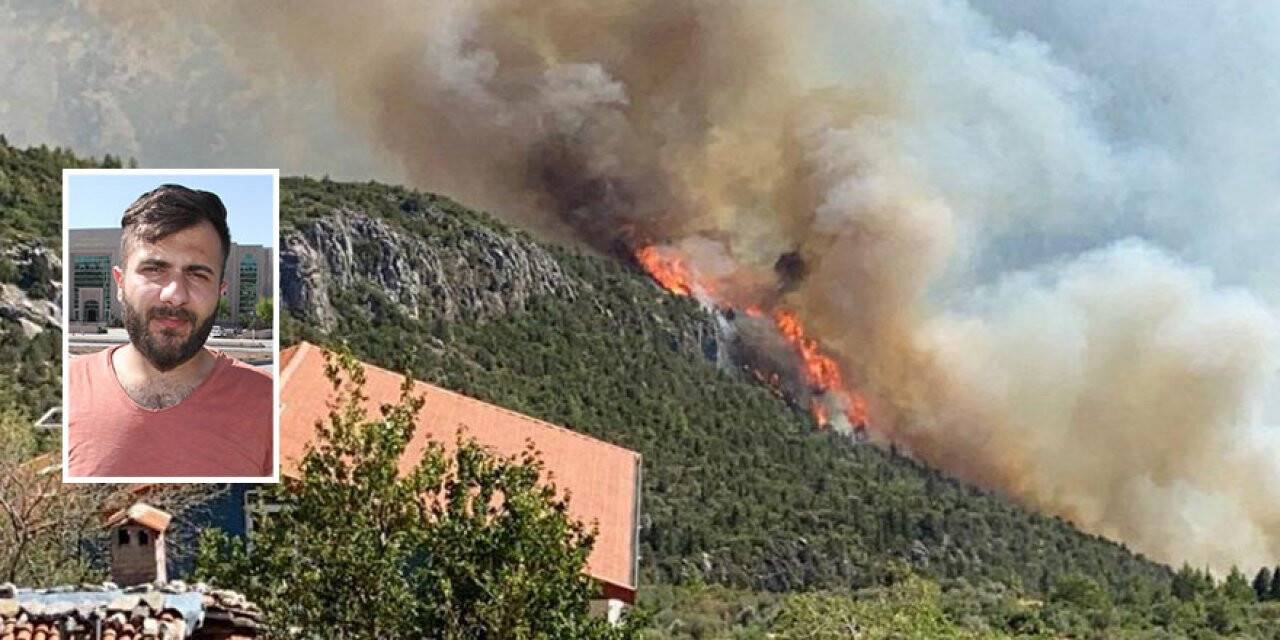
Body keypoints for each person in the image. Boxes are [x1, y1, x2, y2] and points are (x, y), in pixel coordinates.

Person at [67, 184, 273, 478]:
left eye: (197, 274)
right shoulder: (70, 388)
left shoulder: (265, 403)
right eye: (154, 269)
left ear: (221, 290)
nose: (174, 295)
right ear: (120, 283)